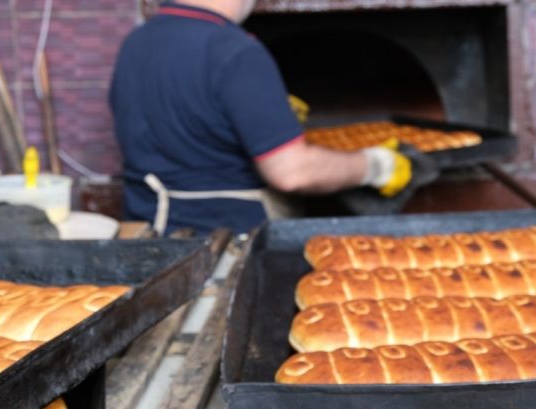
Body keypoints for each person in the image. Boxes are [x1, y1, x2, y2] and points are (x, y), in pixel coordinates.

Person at [109, 0, 411, 236]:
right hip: (223, 246)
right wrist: (374, 166)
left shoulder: (136, 42)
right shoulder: (234, 51)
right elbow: (292, 172)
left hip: (148, 237)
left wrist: (261, 111)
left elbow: (177, 118)